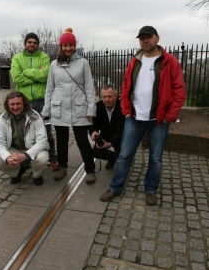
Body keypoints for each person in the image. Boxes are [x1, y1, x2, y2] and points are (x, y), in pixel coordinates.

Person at [100, 26, 186, 205]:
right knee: (124, 155)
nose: (145, 41)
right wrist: (126, 110)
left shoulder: (170, 62)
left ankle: (151, 190)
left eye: (149, 37)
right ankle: (116, 187)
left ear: (157, 38)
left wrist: (170, 115)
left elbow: (179, 91)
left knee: (155, 158)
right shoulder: (135, 61)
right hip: (135, 117)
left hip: (158, 119)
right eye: (142, 38)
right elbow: (125, 86)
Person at [41, 28, 97, 184]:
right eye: (65, 45)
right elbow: (49, 89)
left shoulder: (83, 63)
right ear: (61, 46)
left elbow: (89, 88)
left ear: (75, 46)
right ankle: (62, 166)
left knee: (82, 140)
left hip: (78, 106)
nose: (68, 48)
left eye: (70, 45)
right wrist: (46, 110)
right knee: (62, 140)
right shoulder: (53, 65)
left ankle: (90, 169)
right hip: (59, 106)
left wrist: (91, 108)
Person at [10, 33, 58, 171]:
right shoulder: (17, 58)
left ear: (37, 44)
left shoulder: (44, 57)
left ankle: (52, 158)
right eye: (29, 42)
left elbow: (45, 76)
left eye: (34, 42)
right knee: (25, 132)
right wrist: (36, 74)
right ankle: (27, 159)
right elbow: (16, 79)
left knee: (47, 131)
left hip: (42, 101)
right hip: (24, 103)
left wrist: (25, 72)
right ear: (25, 43)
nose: (32, 44)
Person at [0, 91, 49, 185]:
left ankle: (37, 175)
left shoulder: (35, 117)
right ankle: (17, 172)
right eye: (12, 104)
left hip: (31, 147)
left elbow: (42, 141)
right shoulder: (2, 119)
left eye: (18, 103)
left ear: (24, 104)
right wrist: (7, 157)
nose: (15, 107)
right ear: (7, 105)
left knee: (42, 158)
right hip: (13, 149)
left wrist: (26, 156)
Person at [89, 84, 124, 169]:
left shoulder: (122, 107)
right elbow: (93, 124)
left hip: (120, 136)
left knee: (123, 154)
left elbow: (121, 130)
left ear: (116, 96)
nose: (106, 99)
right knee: (95, 152)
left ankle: (120, 159)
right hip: (105, 133)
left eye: (109, 96)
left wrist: (109, 144)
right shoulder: (98, 106)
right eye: (104, 97)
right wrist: (93, 132)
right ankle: (112, 158)